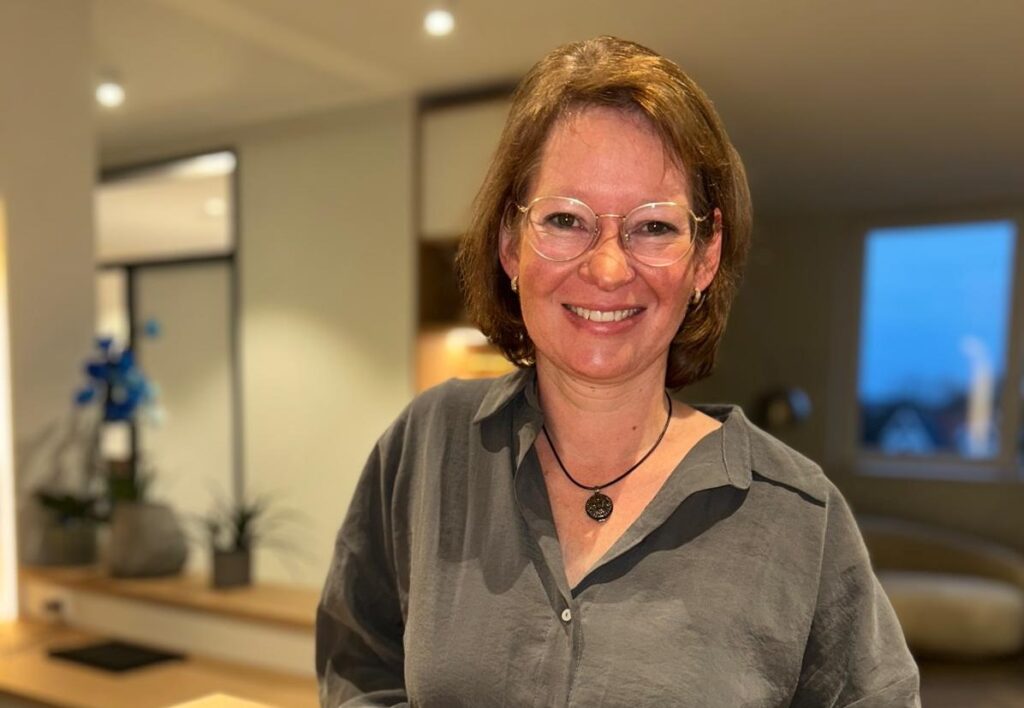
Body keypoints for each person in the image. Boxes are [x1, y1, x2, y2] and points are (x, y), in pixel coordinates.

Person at [316, 36, 920, 707]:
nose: (607, 269)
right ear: (511, 244)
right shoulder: (428, 446)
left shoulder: (798, 515)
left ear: (706, 255)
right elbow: (360, 665)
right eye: (566, 219)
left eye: (653, 228)